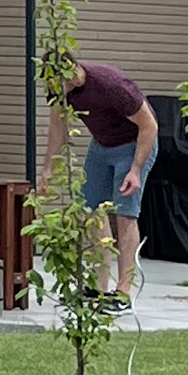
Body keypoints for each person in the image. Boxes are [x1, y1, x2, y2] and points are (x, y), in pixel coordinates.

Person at [59, 59, 159, 303]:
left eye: (60, 81)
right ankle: (98, 288)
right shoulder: (57, 87)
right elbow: (57, 127)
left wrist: (135, 169)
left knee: (125, 215)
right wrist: (47, 170)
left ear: (71, 72)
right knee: (89, 211)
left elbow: (149, 126)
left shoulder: (111, 84)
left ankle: (123, 293)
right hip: (101, 145)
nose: (56, 88)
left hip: (133, 144)